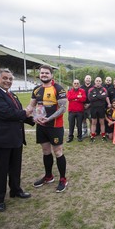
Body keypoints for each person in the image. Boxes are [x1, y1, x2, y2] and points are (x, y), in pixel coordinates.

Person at [0, 68, 33, 212]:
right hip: (0, 140)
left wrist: (33, 119)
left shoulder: (12, 95)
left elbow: (17, 115)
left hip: (15, 138)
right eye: (5, 78)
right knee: (0, 170)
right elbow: (7, 114)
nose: (8, 81)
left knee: (15, 167)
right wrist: (25, 112)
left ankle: (16, 190)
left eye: (10, 79)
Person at [29, 65, 68, 193]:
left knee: (57, 151)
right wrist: (34, 117)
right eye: (42, 73)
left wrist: (49, 118)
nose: (44, 75)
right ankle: (48, 176)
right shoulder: (36, 89)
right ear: (39, 75)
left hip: (55, 126)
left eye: (46, 73)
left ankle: (63, 179)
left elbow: (63, 108)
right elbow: (31, 107)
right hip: (41, 126)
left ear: (51, 75)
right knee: (46, 151)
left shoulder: (58, 88)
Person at [88, 77, 108, 142]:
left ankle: (103, 136)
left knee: (102, 122)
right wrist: (99, 96)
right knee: (93, 122)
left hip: (101, 108)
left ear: (101, 82)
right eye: (97, 81)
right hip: (93, 108)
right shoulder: (91, 89)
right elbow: (90, 98)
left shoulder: (104, 89)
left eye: (99, 81)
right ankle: (92, 135)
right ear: (95, 81)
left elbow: (104, 97)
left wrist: (96, 96)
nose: (98, 82)